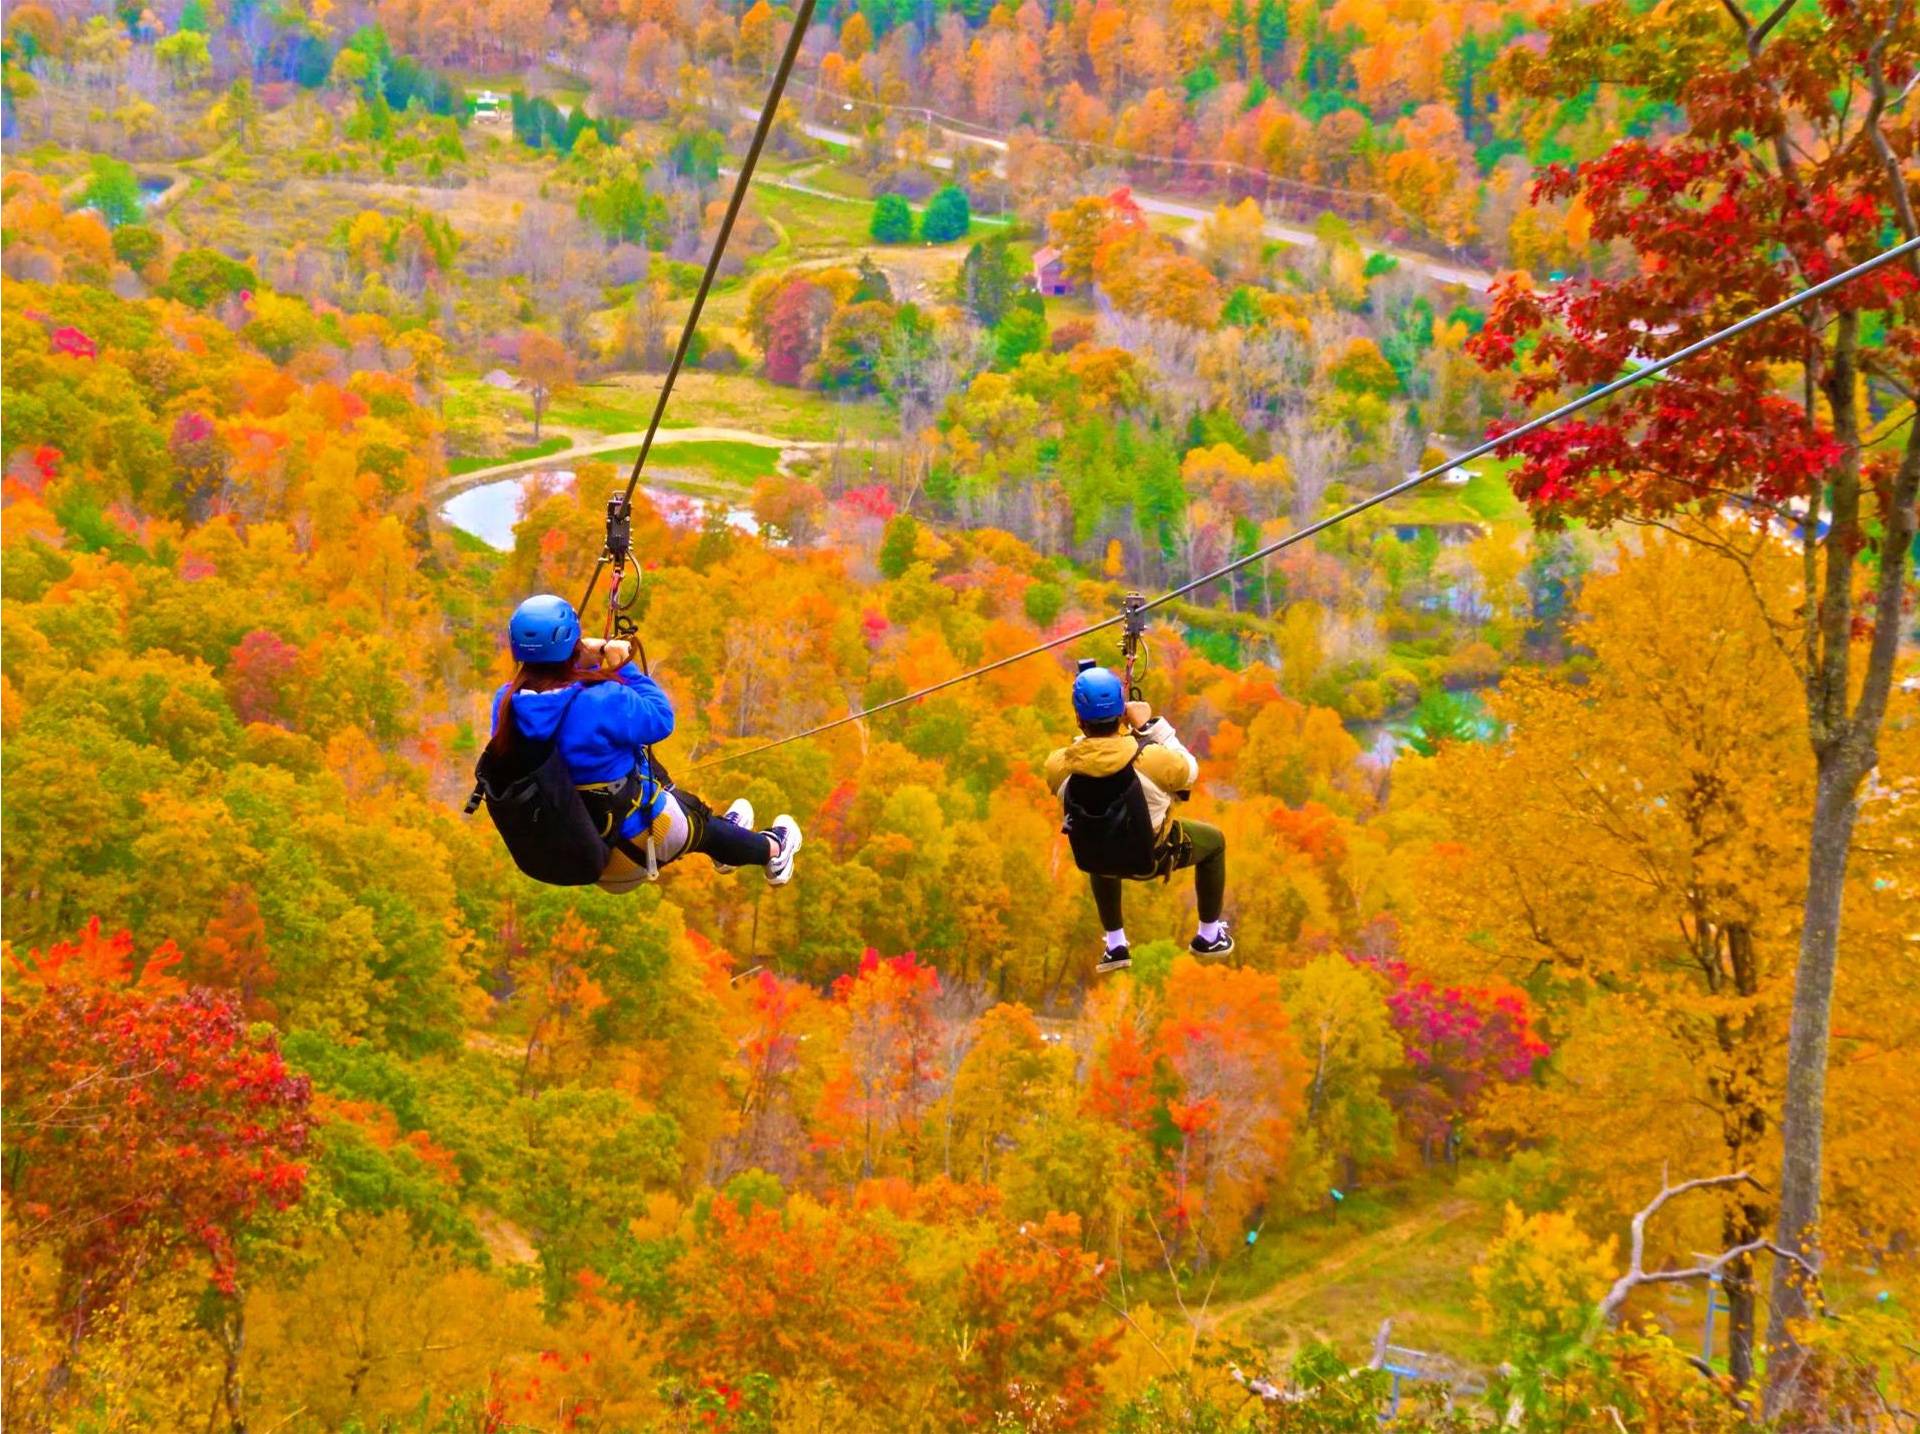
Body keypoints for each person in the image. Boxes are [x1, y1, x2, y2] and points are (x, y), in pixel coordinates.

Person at [490, 594, 800, 893]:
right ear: (573, 644)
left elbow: (560, 707)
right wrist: (622, 664)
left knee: (658, 782)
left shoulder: (505, 703)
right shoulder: (603, 700)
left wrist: (586, 664)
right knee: (699, 824)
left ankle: (726, 839)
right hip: (631, 846)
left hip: (567, 837)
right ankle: (772, 851)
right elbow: (661, 718)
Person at [1044, 662, 1231, 973]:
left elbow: (1085, 754)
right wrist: (1150, 727)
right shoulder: (1150, 760)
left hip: (1099, 859)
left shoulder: (1058, 767)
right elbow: (1190, 770)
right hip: (1153, 855)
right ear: (1120, 714)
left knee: (1098, 833)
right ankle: (1209, 936)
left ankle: (1116, 943)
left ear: (1079, 718)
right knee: (1215, 843)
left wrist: (1104, 735)